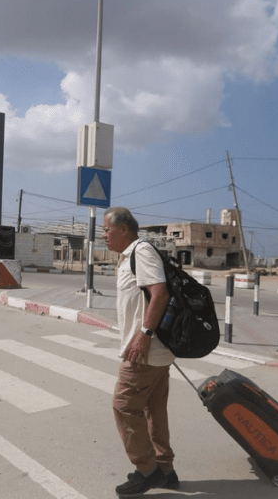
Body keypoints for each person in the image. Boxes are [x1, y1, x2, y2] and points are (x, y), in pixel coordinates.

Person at [102, 207, 179, 496]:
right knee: (154, 411)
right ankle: (166, 471)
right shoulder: (128, 257)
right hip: (155, 353)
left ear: (124, 229)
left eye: (107, 230)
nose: (104, 236)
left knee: (123, 406)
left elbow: (160, 293)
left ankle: (146, 471)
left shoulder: (141, 251)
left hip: (144, 352)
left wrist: (144, 335)